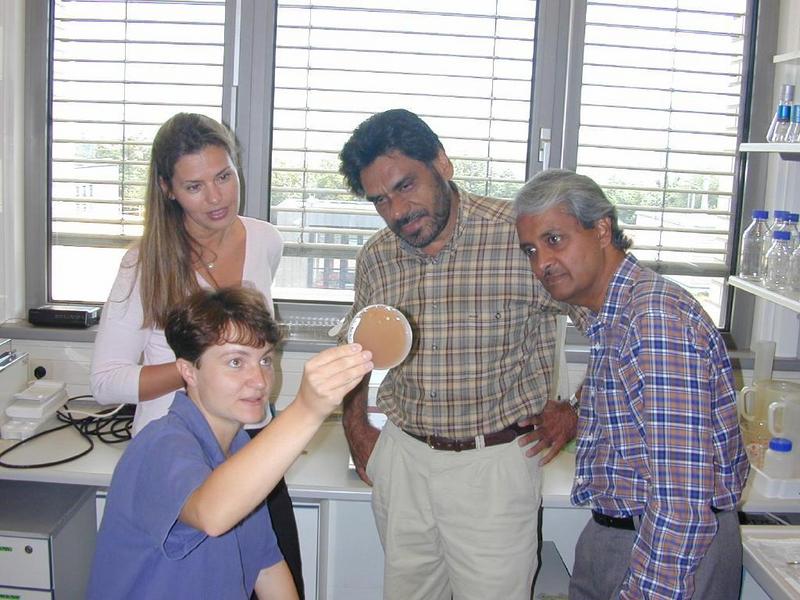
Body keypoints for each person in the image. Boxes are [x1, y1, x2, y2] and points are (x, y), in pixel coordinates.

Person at [337, 108, 586, 600]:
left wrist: (579, 411)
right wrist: (355, 425)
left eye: (406, 186)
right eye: (380, 200)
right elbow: (356, 346)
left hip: (492, 467)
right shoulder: (377, 256)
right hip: (403, 459)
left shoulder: (521, 239)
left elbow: (611, 321)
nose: (397, 211)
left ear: (443, 165)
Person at [89, 113, 305, 596]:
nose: (217, 198)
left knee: (273, 570)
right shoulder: (145, 263)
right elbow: (105, 381)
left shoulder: (265, 240)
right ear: (167, 189)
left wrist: (238, 371)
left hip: (249, 442)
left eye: (224, 177)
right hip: (177, 452)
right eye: (195, 186)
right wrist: (199, 371)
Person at [514, 169, 749, 600]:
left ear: (602, 229)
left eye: (555, 240)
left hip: (670, 553)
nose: (542, 263)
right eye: (531, 249)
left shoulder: (654, 321)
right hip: (620, 536)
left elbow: (681, 502)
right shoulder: (614, 315)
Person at [87, 286, 374, 598]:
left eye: (265, 360)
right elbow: (211, 514)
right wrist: (306, 409)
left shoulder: (239, 449)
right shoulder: (160, 445)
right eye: (236, 362)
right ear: (188, 371)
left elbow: (266, 565)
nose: (260, 380)